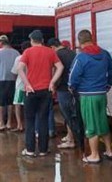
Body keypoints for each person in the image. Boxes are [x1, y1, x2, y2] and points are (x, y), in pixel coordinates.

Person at [68, 29, 112, 163]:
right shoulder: (104, 53)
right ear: (92, 38)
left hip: (88, 95)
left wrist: (72, 87)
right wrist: (107, 86)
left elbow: (73, 76)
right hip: (102, 93)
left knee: (91, 125)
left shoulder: (81, 56)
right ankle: (109, 150)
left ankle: (94, 155)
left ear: (79, 41)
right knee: (103, 122)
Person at [18, 29, 63, 157]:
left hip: (31, 91)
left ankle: (30, 150)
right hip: (46, 91)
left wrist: (27, 83)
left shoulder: (27, 52)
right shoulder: (50, 51)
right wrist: (52, 82)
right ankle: (43, 150)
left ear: (32, 41)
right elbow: (60, 67)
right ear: (42, 40)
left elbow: (20, 69)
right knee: (43, 120)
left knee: (30, 120)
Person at [47, 38, 76, 148]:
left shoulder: (57, 55)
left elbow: (55, 71)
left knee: (67, 114)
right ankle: (69, 136)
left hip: (63, 88)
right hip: (73, 88)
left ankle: (71, 141)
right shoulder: (72, 53)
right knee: (72, 113)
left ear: (52, 47)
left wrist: (53, 85)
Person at [0, 35, 20, 131]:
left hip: (1, 79)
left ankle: (1, 123)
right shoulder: (16, 53)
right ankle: (8, 123)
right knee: (10, 102)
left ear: (1, 43)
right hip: (13, 79)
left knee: (1, 102)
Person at [11, 41, 32, 132]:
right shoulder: (33, 56)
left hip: (20, 84)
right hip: (31, 85)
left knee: (17, 105)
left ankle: (20, 125)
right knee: (28, 106)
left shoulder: (19, 58)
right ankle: (29, 125)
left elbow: (15, 72)